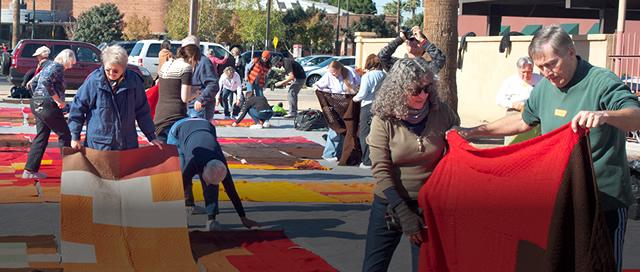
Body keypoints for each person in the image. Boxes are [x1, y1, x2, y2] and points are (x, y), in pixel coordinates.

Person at [455, 25, 640, 272]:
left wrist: (605, 114)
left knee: (601, 265)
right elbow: (523, 120)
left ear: (571, 52)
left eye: (552, 64)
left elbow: (635, 116)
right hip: (560, 199)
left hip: (603, 201)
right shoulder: (544, 87)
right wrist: (475, 131)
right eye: (540, 67)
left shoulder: (601, 81)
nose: (546, 73)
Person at [362, 58, 459, 272]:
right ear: (399, 88)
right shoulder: (384, 119)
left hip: (428, 203)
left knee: (425, 267)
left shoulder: (441, 112)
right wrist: (402, 211)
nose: (423, 95)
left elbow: (457, 146)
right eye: (415, 90)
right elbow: (380, 168)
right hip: (390, 201)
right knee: (373, 267)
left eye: (426, 88)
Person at [167, 117, 260, 230]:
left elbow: (232, 192)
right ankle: (181, 214)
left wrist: (243, 218)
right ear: (202, 168)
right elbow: (177, 188)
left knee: (211, 186)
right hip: (179, 129)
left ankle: (212, 220)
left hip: (207, 126)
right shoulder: (192, 161)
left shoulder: (221, 166)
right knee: (178, 173)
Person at [68, 45, 162, 151]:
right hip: (99, 143)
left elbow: (142, 111)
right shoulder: (94, 81)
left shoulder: (134, 81)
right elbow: (78, 108)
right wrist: (74, 136)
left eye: (116, 71)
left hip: (127, 143)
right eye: (108, 70)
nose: (111, 74)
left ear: (124, 68)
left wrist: (151, 136)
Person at [21, 49, 76, 179]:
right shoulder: (57, 67)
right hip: (47, 105)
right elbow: (46, 82)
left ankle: (29, 170)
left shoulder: (49, 66)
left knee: (42, 135)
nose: (71, 66)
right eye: (71, 63)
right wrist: (58, 101)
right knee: (65, 134)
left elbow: (32, 83)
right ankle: (69, 171)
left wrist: (38, 96)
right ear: (67, 59)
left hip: (36, 103)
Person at [312, 61, 360, 161]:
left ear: (340, 69)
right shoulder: (329, 75)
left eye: (334, 72)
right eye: (331, 72)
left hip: (348, 105)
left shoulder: (350, 72)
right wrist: (326, 92)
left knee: (346, 129)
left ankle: (339, 153)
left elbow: (358, 84)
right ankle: (329, 154)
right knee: (334, 128)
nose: (333, 74)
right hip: (335, 104)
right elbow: (317, 86)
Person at [153, 45, 197, 142]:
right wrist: (196, 93)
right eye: (196, 61)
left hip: (159, 116)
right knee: (176, 153)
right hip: (176, 117)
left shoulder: (166, 65)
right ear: (192, 58)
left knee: (163, 153)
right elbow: (185, 98)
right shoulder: (186, 68)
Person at [495, 56, 543, 144]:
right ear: (518, 70)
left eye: (529, 72)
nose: (526, 75)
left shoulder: (540, 80)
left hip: (534, 116)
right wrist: (513, 104)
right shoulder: (509, 81)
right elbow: (499, 100)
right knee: (513, 143)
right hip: (514, 114)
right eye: (523, 72)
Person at [353, 54, 386, 168]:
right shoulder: (385, 75)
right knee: (379, 134)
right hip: (382, 107)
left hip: (368, 106)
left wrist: (354, 98)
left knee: (365, 133)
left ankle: (367, 160)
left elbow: (362, 94)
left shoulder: (368, 76)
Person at [378, 26, 445, 74]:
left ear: (424, 48)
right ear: (406, 44)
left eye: (417, 40)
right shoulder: (398, 65)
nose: (413, 42)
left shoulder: (427, 68)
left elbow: (440, 59)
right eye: (411, 39)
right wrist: (400, 39)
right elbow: (382, 56)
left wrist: (422, 40)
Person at [182, 35, 219, 121]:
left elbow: (213, 84)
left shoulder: (204, 62)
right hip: (188, 106)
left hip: (199, 108)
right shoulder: (185, 62)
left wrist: (201, 99)